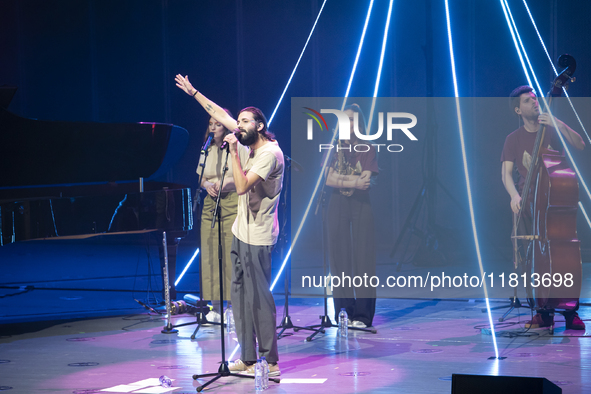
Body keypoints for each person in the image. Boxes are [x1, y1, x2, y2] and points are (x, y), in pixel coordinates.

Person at [176, 74, 284, 375]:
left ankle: (270, 361)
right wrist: (194, 92)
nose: (239, 125)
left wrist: (234, 152)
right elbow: (218, 112)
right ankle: (248, 358)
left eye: (246, 121)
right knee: (238, 293)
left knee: (259, 297)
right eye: (239, 121)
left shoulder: (268, 154)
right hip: (241, 231)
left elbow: (241, 187)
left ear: (259, 126)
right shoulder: (248, 140)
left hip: (259, 236)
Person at [501, 85, 585, 330]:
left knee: (564, 257)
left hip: (554, 201)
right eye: (527, 101)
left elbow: (580, 144)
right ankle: (542, 310)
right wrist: (514, 195)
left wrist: (558, 123)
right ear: (518, 110)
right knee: (532, 260)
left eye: (534, 98)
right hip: (529, 204)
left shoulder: (551, 128)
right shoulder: (512, 139)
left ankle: (570, 312)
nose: (534, 103)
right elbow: (506, 174)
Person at [325, 103, 378, 329]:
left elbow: (364, 182)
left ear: (360, 124)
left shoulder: (368, 148)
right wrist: (352, 181)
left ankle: (363, 316)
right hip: (336, 202)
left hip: (360, 204)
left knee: (363, 258)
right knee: (339, 259)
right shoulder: (332, 148)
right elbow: (327, 179)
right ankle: (344, 311)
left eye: (353, 120)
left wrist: (345, 180)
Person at [197, 111, 249, 323]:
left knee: (229, 253)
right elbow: (200, 176)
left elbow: (243, 174)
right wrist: (207, 185)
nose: (213, 127)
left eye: (217, 124)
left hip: (231, 201)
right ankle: (215, 306)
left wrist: (224, 184)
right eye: (210, 124)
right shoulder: (206, 148)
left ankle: (231, 306)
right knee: (210, 252)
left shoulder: (235, 147)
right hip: (210, 202)